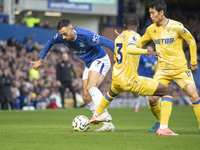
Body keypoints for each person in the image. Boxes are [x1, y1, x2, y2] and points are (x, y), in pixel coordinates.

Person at [90, 14, 178, 136]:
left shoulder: (119, 38)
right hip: (130, 80)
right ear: (137, 25)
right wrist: (147, 51)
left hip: (117, 79)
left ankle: (96, 115)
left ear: (124, 26)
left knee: (110, 94)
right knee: (166, 91)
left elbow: (117, 56)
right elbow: (131, 49)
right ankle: (163, 127)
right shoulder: (135, 36)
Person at [30, 19, 115, 131]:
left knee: (91, 87)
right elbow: (50, 42)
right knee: (85, 96)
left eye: (65, 34)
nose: (63, 37)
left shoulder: (86, 35)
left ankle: (103, 114)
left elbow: (110, 43)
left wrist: (121, 61)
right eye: (62, 35)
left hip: (100, 59)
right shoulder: (61, 37)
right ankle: (107, 124)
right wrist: (40, 60)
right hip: (90, 64)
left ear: (72, 29)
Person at [140, 0, 200, 133]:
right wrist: (125, 39)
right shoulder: (151, 29)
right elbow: (139, 43)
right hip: (163, 70)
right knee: (152, 99)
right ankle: (160, 122)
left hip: (180, 68)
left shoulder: (176, 26)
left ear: (161, 12)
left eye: (153, 13)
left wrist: (193, 62)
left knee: (194, 95)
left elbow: (191, 41)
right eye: (149, 13)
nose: (150, 16)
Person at [134, 45, 158, 112]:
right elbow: (137, 64)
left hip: (149, 76)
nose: (150, 51)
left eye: (151, 50)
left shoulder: (153, 58)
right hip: (142, 76)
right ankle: (149, 107)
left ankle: (137, 106)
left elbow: (156, 66)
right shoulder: (142, 57)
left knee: (144, 93)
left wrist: (154, 73)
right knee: (145, 92)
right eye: (148, 50)